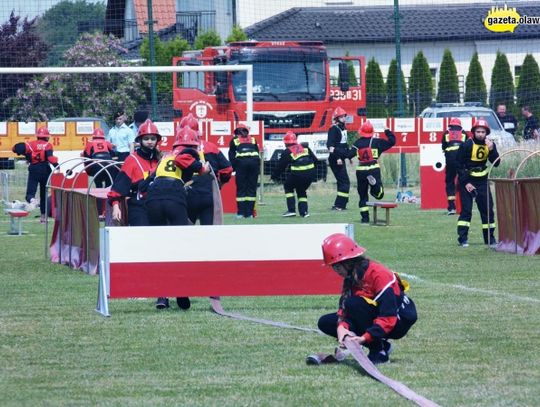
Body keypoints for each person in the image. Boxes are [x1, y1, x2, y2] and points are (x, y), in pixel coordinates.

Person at [139, 125, 210, 310]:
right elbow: (190, 165)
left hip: (154, 197)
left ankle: (162, 296)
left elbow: (146, 182)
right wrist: (204, 170)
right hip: (173, 197)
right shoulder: (189, 152)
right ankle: (181, 291)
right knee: (180, 246)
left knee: (160, 247)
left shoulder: (165, 157)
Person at [318, 233, 417, 364]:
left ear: (348, 262)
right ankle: (383, 345)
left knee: (354, 304)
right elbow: (344, 310)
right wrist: (342, 328)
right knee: (326, 322)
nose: (336, 271)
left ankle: (379, 351)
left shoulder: (378, 275)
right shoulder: (352, 277)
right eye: (333, 267)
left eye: (337, 266)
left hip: (398, 320)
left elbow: (388, 317)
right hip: (378, 315)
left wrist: (364, 338)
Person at [177, 113, 233, 224]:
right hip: (208, 194)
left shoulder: (177, 150)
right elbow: (228, 169)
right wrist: (219, 183)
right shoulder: (211, 147)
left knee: (185, 232)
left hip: (187, 194)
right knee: (209, 233)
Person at [107, 119, 161, 227]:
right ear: (140, 140)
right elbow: (119, 186)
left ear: (157, 140)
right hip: (138, 205)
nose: (150, 141)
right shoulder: (132, 159)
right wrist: (116, 206)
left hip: (159, 205)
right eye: (146, 138)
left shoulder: (160, 159)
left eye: (153, 139)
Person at [455, 119, 500, 248]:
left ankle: (490, 239)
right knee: (466, 210)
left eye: (483, 132)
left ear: (487, 133)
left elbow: (496, 163)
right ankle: (462, 239)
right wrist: (466, 183)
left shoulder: (490, 144)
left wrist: (492, 150)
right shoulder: (466, 145)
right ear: (473, 132)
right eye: (478, 131)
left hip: (483, 181)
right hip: (468, 180)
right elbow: (458, 165)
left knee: (487, 210)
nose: (480, 134)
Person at [349, 121, 395, 224]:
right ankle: (374, 186)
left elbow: (349, 153)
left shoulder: (357, 143)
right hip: (373, 168)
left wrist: (346, 156)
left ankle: (365, 219)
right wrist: (387, 130)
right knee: (379, 194)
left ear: (361, 132)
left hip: (361, 170)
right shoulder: (377, 142)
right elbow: (392, 141)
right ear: (372, 132)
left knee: (362, 195)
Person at [12, 127, 58, 223]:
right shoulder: (48, 145)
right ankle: (43, 218)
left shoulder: (30, 144)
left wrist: (27, 155)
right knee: (43, 194)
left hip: (34, 169)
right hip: (45, 170)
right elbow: (50, 158)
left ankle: (33, 200)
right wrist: (57, 166)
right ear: (46, 137)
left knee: (30, 193)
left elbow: (15, 148)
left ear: (37, 136)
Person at [271, 131, 317, 218]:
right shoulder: (305, 147)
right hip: (310, 174)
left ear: (286, 143)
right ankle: (304, 212)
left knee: (288, 186)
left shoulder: (287, 151)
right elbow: (315, 160)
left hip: (298, 174)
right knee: (301, 190)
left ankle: (291, 210)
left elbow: (281, 167)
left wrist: (274, 176)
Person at [228, 123, 260, 218]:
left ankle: (241, 213)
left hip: (241, 165)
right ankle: (249, 213)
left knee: (241, 188)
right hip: (254, 165)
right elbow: (257, 153)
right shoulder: (253, 139)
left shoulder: (234, 140)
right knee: (251, 188)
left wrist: (234, 167)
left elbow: (232, 155)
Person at [441, 118, 467, 215]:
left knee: (450, 182)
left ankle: (451, 207)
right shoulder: (464, 133)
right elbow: (468, 146)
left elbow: (443, 147)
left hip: (450, 160)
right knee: (463, 181)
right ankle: (464, 205)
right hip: (461, 160)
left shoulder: (446, 133)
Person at [326, 107, 350, 211]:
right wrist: (338, 158)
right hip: (335, 159)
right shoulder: (333, 129)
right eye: (341, 116)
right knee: (344, 182)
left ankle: (341, 205)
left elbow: (344, 144)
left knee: (343, 182)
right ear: (337, 118)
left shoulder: (343, 128)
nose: (344, 118)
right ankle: (339, 205)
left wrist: (349, 157)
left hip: (341, 158)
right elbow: (330, 146)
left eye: (345, 116)